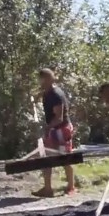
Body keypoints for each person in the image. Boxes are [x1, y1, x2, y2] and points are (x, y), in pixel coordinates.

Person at [32, 68, 75, 198]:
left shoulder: (56, 94)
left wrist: (47, 128)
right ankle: (49, 188)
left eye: (43, 79)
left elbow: (59, 117)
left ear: (49, 79)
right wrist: (36, 98)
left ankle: (70, 187)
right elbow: (44, 96)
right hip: (55, 129)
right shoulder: (48, 92)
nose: (41, 82)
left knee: (64, 158)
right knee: (48, 157)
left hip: (61, 129)